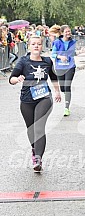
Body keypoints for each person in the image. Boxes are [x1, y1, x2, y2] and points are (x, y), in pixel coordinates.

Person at [9, 35, 61, 172]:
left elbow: (54, 77)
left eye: (38, 44)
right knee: (31, 129)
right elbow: (11, 78)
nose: (36, 46)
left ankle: (38, 158)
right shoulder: (23, 61)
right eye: (33, 44)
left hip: (44, 97)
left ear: (42, 46)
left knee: (39, 126)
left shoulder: (47, 61)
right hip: (26, 99)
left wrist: (57, 92)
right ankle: (34, 149)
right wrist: (17, 79)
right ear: (29, 46)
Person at [51, 25, 76, 116]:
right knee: (62, 88)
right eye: (66, 32)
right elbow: (53, 54)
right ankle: (65, 93)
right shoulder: (57, 42)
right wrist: (60, 56)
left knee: (67, 86)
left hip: (70, 66)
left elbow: (74, 52)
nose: (68, 33)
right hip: (60, 67)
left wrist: (80, 51)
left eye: (69, 31)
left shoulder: (73, 42)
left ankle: (66, 108)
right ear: (62, 33)